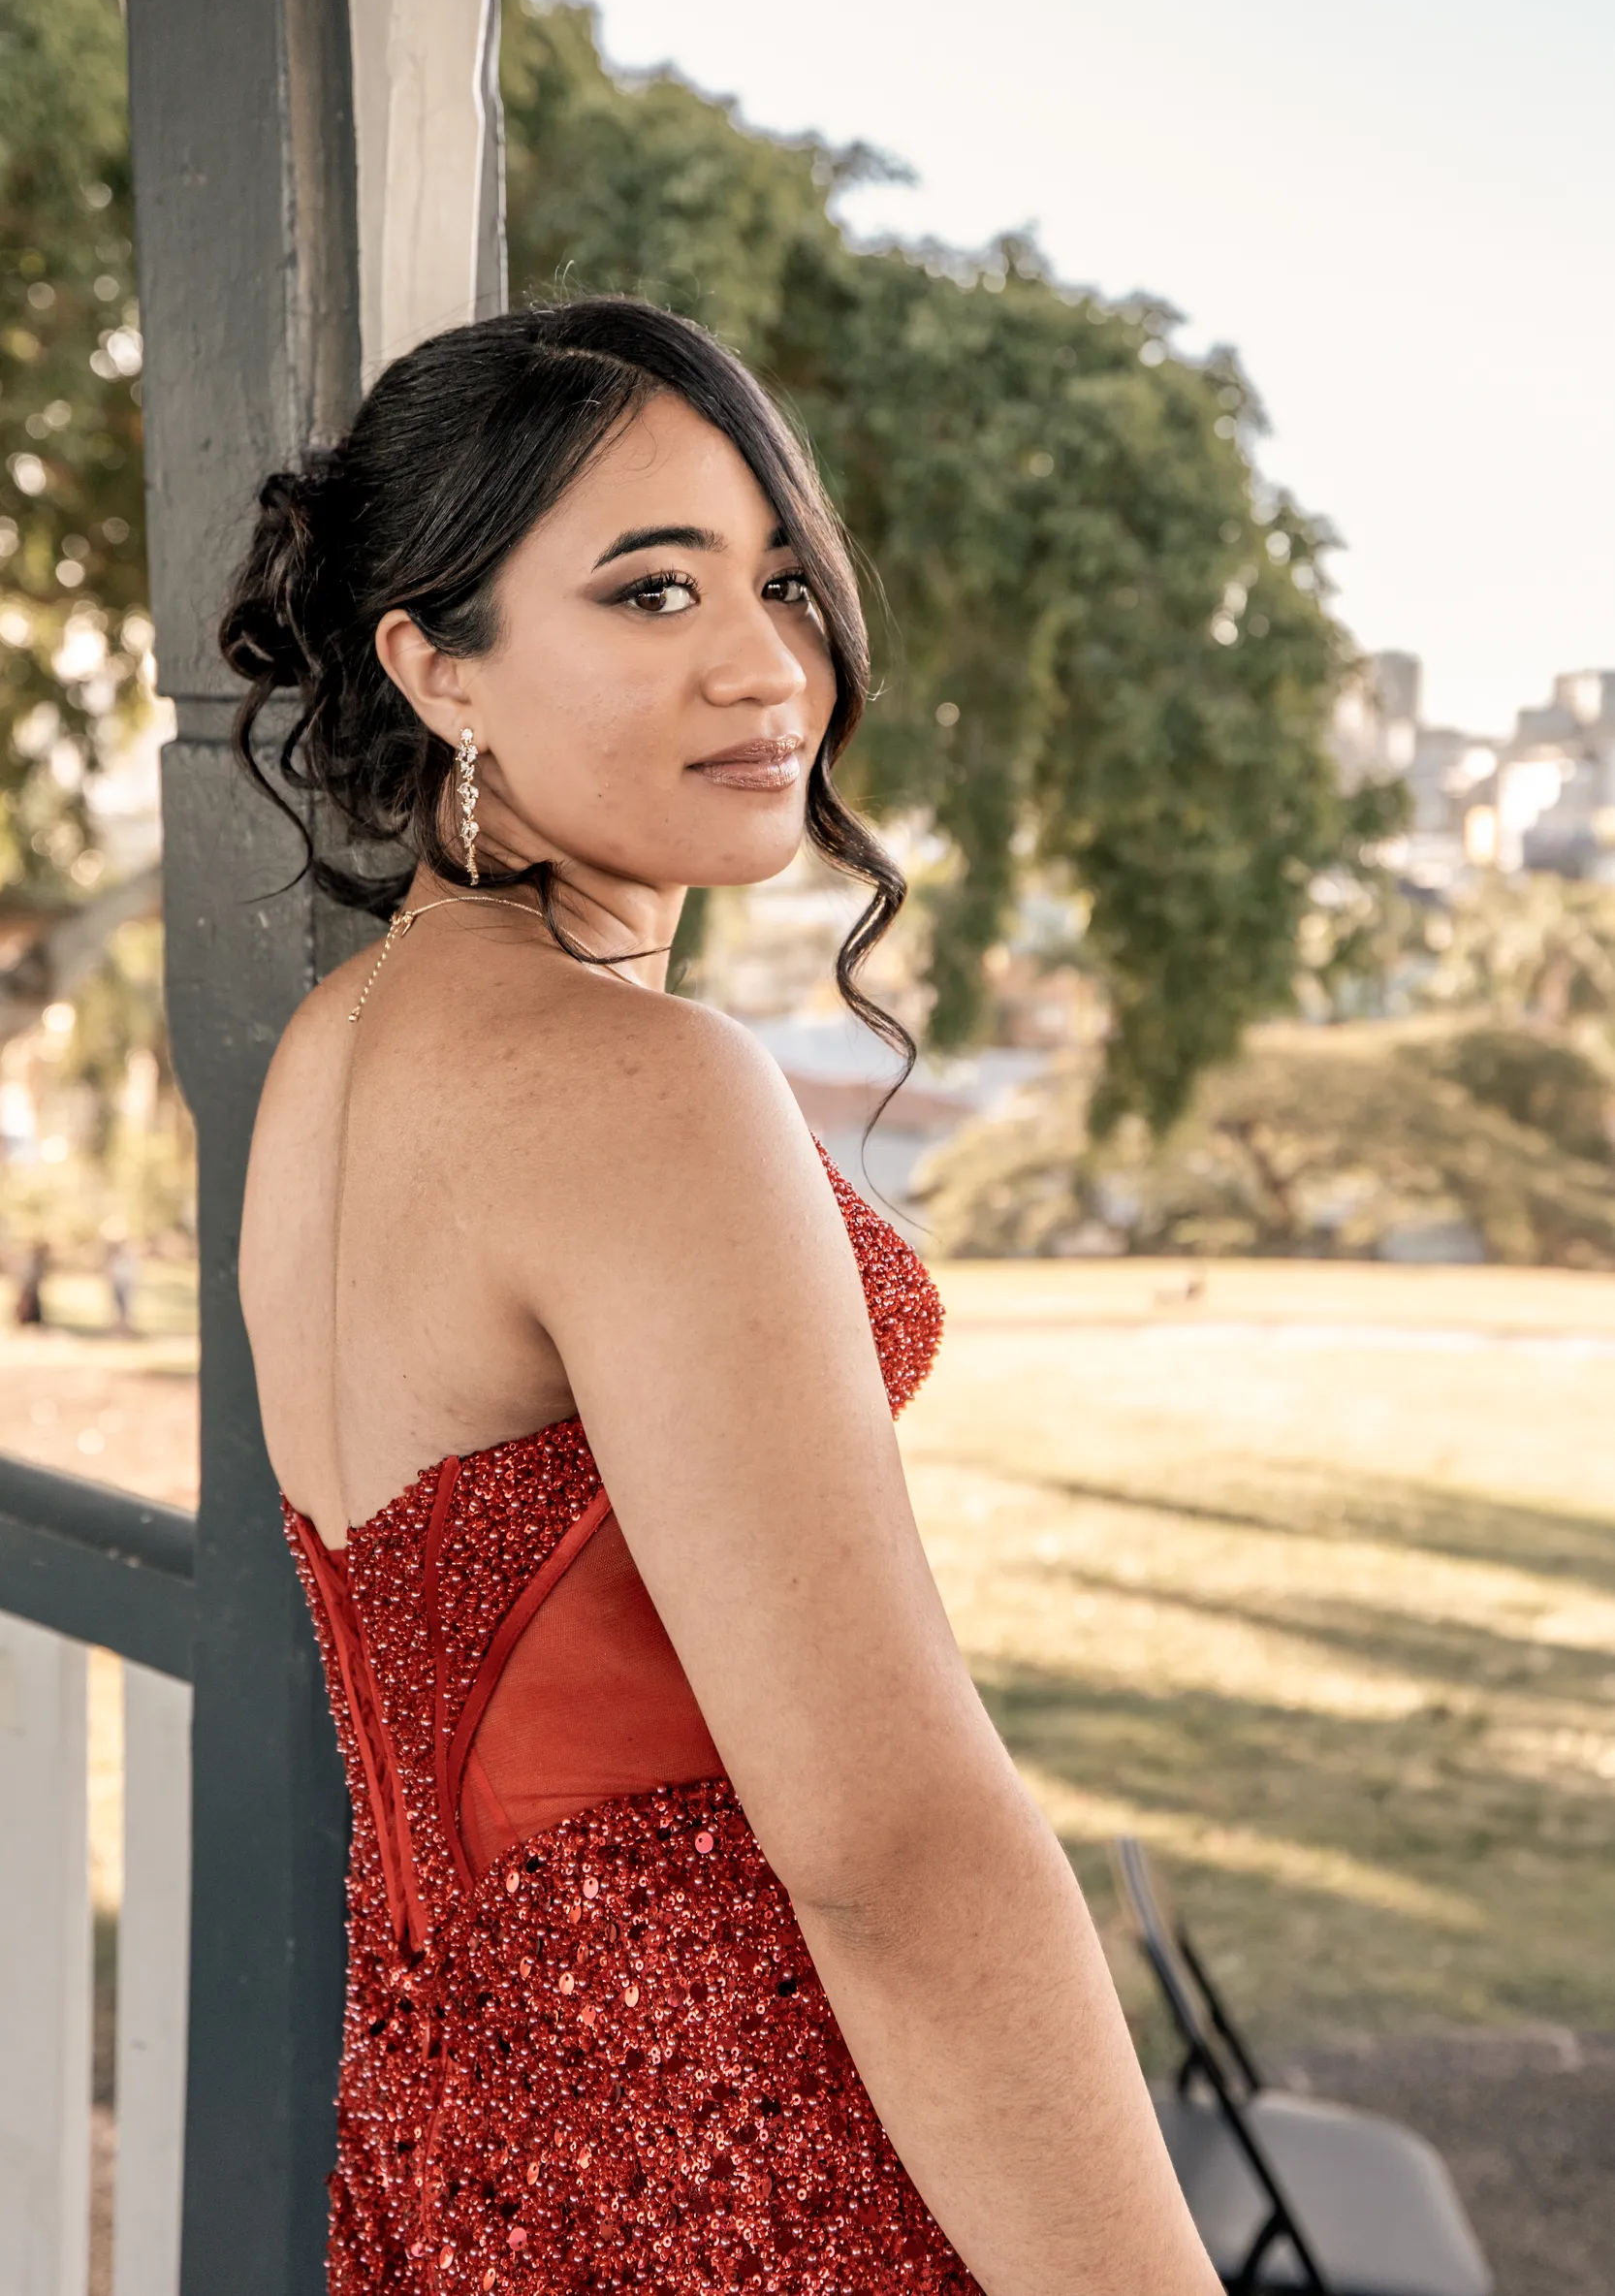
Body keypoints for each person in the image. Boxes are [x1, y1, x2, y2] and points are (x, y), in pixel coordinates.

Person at [228, 299, 1218, 2296]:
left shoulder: (340, 1046)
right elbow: (892, 1854)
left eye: (778, 577)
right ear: (434, 663)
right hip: (734, 2159)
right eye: (649, 589)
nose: (765, 663)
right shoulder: (644, 1090)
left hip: (455, 2152)